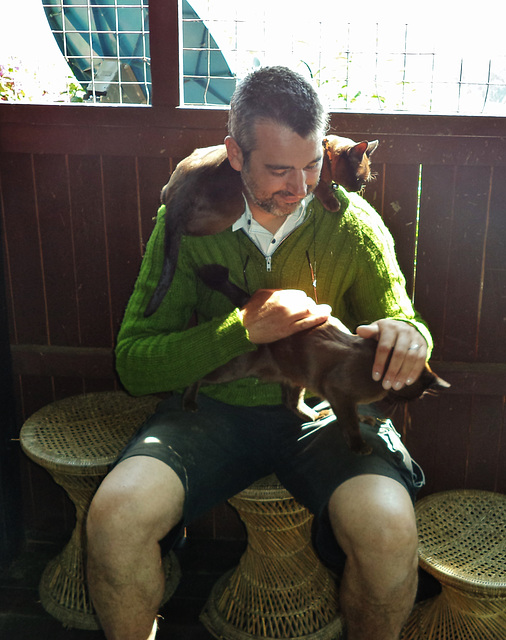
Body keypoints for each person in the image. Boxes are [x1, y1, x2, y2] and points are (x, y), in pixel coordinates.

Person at [86, 65, 432, 640]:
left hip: (325, 416)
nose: (299, 188)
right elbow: (134, 363)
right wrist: (241, 328)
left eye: (312, 164)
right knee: (114, 519)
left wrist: (410, 338)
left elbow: (401, 315)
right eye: (277, 170)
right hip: (212, 414)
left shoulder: (353, 224)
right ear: (235, 154)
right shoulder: (187, 221)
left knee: (390, 530)